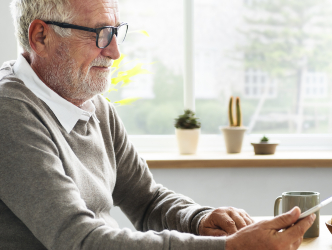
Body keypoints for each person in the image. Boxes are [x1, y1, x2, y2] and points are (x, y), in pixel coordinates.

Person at [0, 0, 315, 249]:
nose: (115, 52)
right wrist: (228, 248)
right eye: (99, 34)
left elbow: (147, 200)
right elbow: (81, 241)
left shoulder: (92, 105)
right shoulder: (9, 114)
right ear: (41, 36)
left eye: (115, 32)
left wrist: (200, 219)